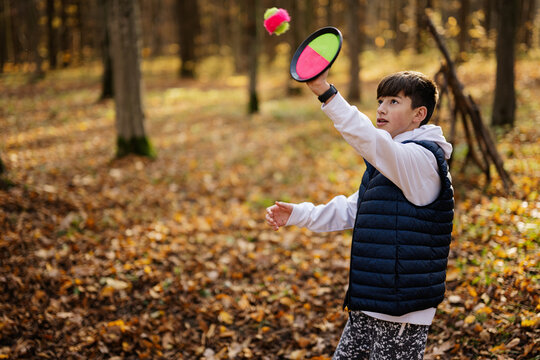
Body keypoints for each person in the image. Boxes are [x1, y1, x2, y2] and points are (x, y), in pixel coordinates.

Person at [266, 69, 454, 359]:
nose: (381, 108)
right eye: (380, 100)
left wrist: (326, 93)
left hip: (402, 312)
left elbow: (370, 140)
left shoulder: (421, 161)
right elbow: (353, 210)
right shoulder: (388, 163)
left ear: (419, 114)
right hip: (369, 303)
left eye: (394, 102)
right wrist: (298, 214)